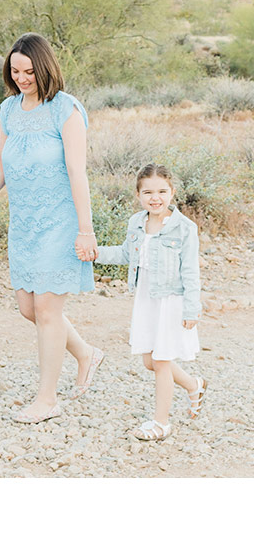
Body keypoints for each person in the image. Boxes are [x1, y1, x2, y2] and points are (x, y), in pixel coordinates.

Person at [0, 32, 102, 423]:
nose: (22, 77)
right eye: (15, 71)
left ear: (44, 67)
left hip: (61, 221)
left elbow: (77, 172)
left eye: (29, 70)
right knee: (29, 308)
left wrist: (86, 229)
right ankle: (85, 352)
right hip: (24, 224)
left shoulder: (66, 109)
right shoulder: (9, 110)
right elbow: (0, 167)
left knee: (47, 309)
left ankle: (47, 398)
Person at [85, 164, 206, 441]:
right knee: (150, 361)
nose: (156, 197)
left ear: (172, 193)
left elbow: (190, 271)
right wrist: (95, 253)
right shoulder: (136, 223)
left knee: (162, 361)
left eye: (162, 191)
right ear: (139, 195)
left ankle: (161, 423)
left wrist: (192, 308)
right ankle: (193, 384)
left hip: (171, 300)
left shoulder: (185, 228)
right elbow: (126, 254)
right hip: (146, 298)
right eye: (148, 192)